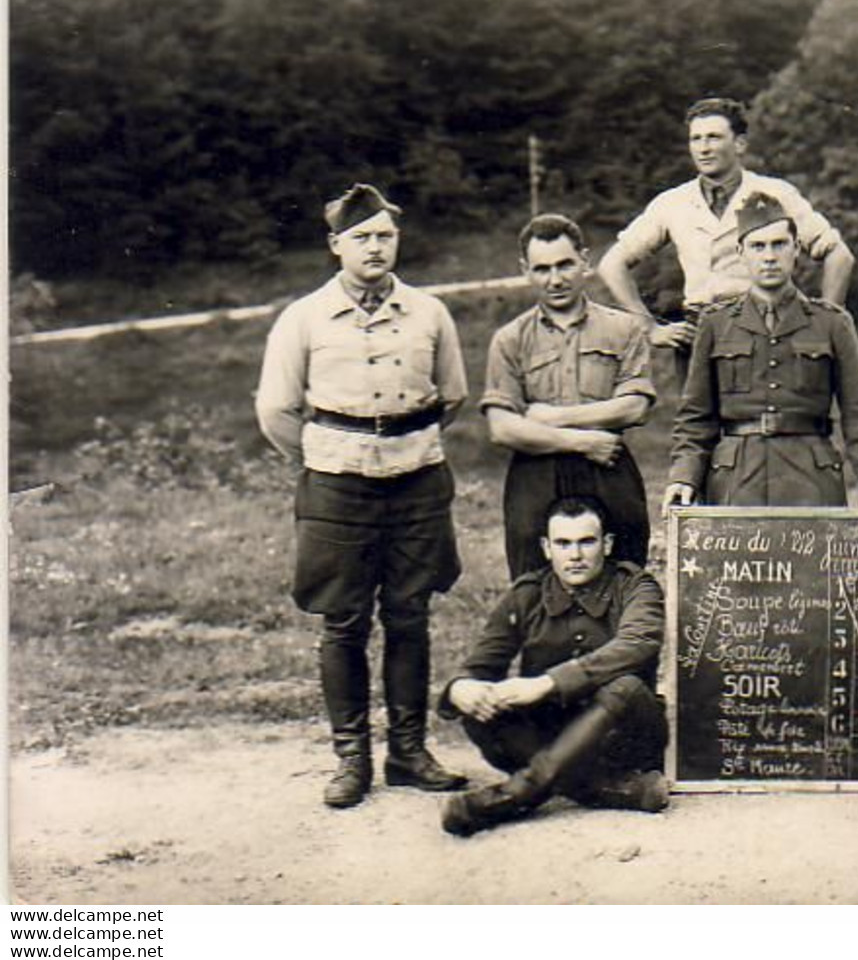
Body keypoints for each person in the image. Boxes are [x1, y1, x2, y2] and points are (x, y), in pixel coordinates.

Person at [255, 182, 468, 809]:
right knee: (343, 622)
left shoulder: (430, 312)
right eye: (361, 238)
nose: (375, 248)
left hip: (417, 481)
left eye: (385, 236)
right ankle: (352, 758)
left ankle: (408, 752)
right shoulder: (303, 318)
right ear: (334, 246)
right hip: (335, 488)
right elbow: (276, 409)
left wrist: (399, 444)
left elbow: (451, 396)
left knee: (410, 615)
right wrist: (326, 458)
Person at [438, 495, 668, 837]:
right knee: (479, 708)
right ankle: (610, 789)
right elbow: (481, 664)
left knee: (627, 687)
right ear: (547, 548)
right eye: (563, 543)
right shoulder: (527, 593)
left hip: (622, 739)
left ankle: (519, 792)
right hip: (547, 734)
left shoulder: (635, 586)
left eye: (586, 542)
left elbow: (639, 643)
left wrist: (548, 683)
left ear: (606, 544)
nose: (574, 555)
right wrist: (462, 688)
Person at [663, 192, 858, 511]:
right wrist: (684, 477)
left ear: (797, 249)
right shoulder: (715, 323)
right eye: (757, 246)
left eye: (779, 244)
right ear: (741, 253)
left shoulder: (832, 323)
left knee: (812, 559)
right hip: (736, 477)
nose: (769, 256)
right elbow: (696, 417)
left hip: (811, 476)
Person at [596, 97, 856, 378]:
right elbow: (611, 264)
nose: (704, 148)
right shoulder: (672, 202)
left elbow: (839, 256)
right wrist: (648, 327)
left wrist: (825, 327)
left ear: (740, 144)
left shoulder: (776, 193)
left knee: (766, 420)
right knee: (696, 421)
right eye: (696, 139)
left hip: (768, 330)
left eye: (714, 137)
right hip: (698, 337)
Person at [481, 213, 656, 580]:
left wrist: (553, 417)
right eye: (542, 269)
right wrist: (580, 441)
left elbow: (634, 406)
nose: (555, 279)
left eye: (565, 265)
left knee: (624, 571)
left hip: (608, 464)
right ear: (525, 270)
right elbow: (502, 428)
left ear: (585, 262)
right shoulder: (510, 339)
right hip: (537, 469)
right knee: (533, 579)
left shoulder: (623, 328)